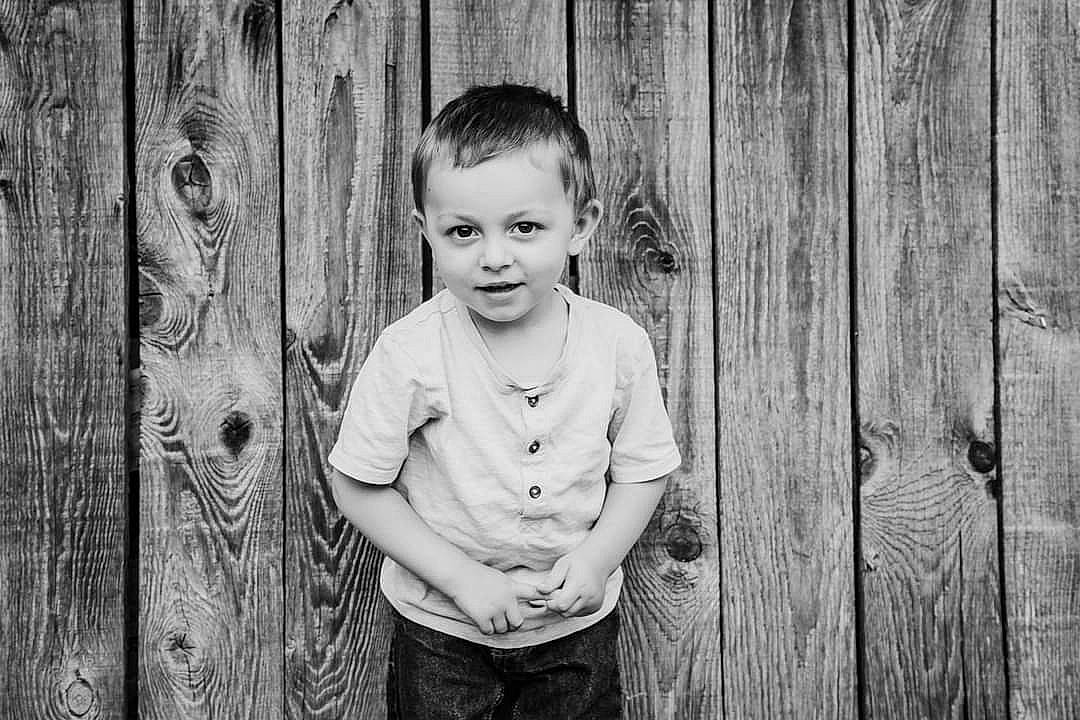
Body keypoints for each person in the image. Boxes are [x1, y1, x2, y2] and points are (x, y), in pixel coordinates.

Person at [328, 83, 681, 719]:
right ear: (426, 232)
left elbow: (644, 467)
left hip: (574, 626)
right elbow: (358, 485)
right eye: (463, 231)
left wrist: (598, 559)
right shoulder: (413, 352)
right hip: (442, 630)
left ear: (581, 226)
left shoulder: (615, 345)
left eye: (524, 227)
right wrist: (462, 579)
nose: (494, 258)